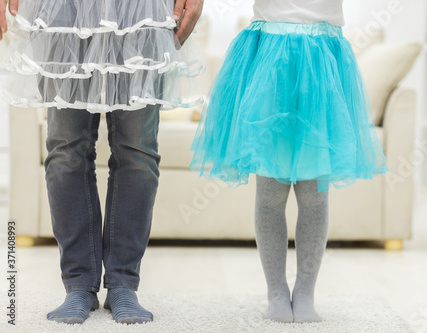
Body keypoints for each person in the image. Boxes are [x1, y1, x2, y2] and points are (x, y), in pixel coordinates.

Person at [1, 0, 204, 325]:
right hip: (64, 11)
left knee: (138, 151)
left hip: (143, 11)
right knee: (66, 150)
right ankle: (79, 283)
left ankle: (124, 283)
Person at [190, 0, 388, 323]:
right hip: (272, 57)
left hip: (322, 57)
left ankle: (306, 292)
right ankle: (277, 292)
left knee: (314, 192)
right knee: (270, 189)